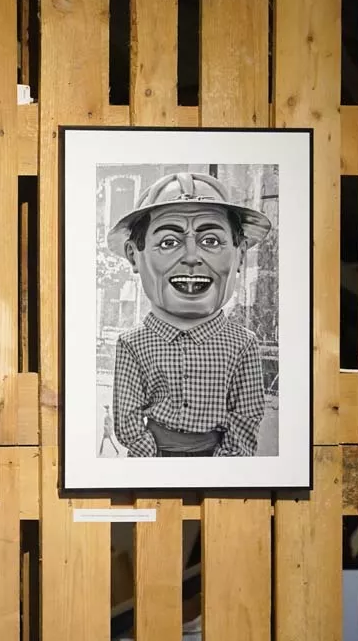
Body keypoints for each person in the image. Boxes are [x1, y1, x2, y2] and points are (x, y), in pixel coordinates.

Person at [107, 171, 271, 458]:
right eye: (169, 242)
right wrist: (153, 459)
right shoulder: (132, 344)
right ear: (135, 256)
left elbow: (247, 414)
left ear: (240, 254)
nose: (192, 256)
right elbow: (127, 417)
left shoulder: (243, 344)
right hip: (152, 462)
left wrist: (223, 464)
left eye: (211, 241)